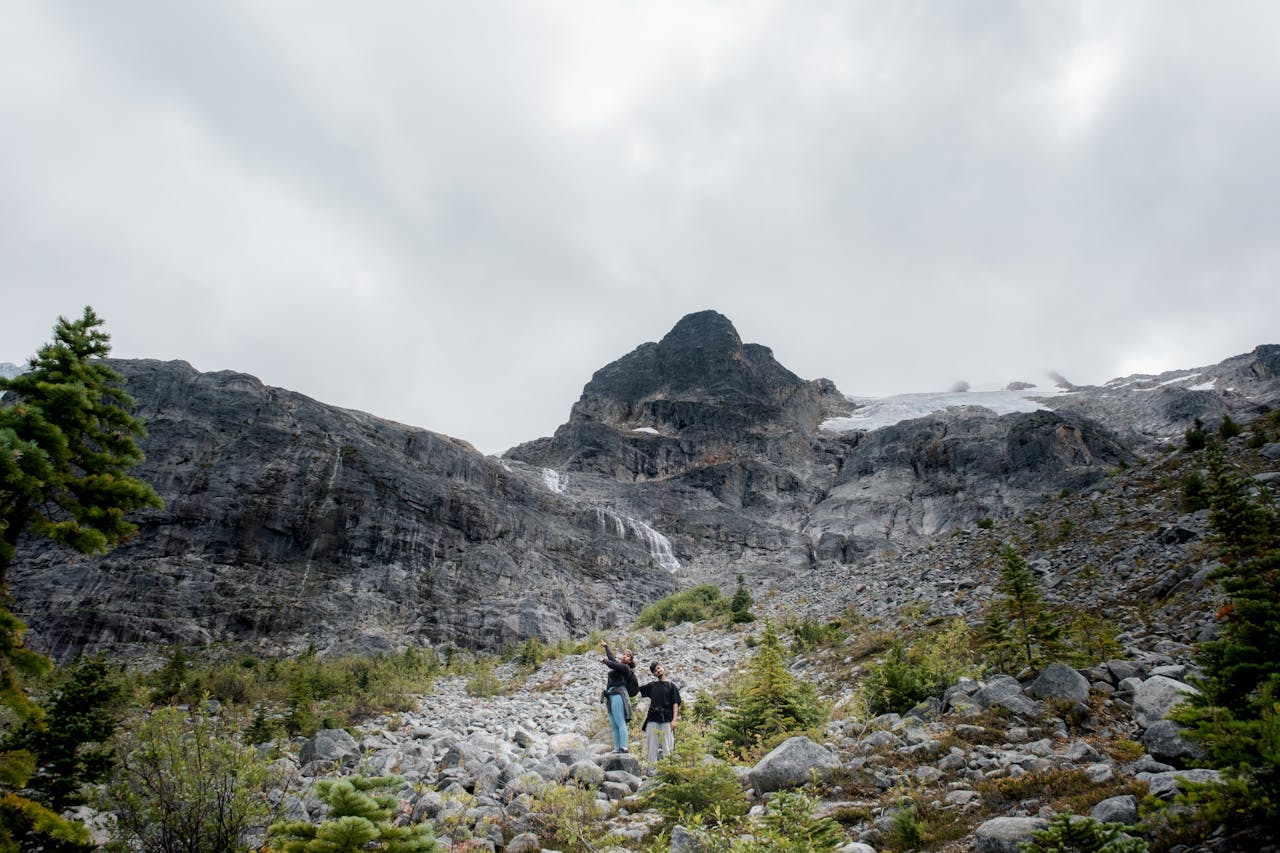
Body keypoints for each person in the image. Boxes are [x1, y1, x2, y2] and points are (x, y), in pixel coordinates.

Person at [638, 660, 682, 764]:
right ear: (653, 674)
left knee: (667, 745)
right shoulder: (652, 685)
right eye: (654, 670)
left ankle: (668, 769)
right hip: (653, 718)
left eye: (658, 668)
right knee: (652, 746)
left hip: (667, 718)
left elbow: (675, 704)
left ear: (662, 668)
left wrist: (674, 720)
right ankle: (652, 768)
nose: (657, 671)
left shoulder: (672, 686)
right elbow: (636, 690)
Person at [600, 641, 638, 753]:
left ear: (630, 660)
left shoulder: (626, 668)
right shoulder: (619, 666)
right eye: (624, 654)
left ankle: (624, 747)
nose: (624, 656)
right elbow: (612, 659)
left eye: (628, 656)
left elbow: (612, 663)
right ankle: (617, 749)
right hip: (611, 695)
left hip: (619, 694)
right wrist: (606, 646)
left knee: (620, 722)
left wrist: (604, 661)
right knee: (614, 724)